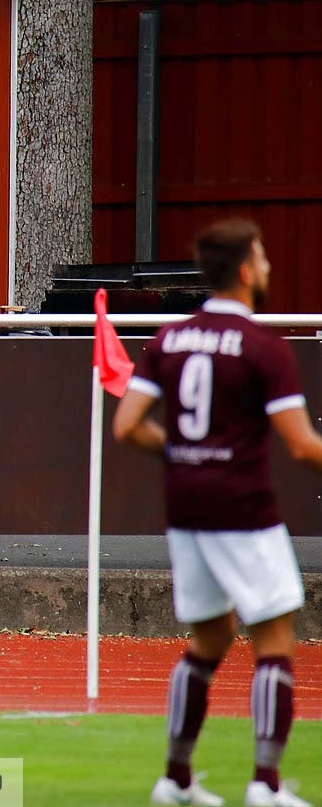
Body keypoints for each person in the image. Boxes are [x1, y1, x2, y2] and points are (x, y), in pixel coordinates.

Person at [114, 219, 322, 807]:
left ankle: (174, 777)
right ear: (246, 269)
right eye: (263, 256)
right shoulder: (263, 347)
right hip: (243, 506)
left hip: (186, 506)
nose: (269, 267)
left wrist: (182, 451)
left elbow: (126, 425)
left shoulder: (168, 339)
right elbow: (303, 445)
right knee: (274, 639)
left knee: (207, 640)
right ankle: (266, 784)